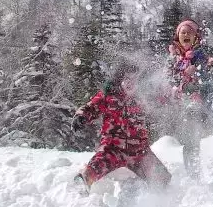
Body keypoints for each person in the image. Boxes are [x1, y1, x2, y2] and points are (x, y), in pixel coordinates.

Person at [72, 63, 171, 192]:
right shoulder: (109, 96)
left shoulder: (143, 97)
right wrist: (81, 116)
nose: (130, 84)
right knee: (100, 162)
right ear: (120, 80)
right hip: (113, 147)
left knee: (162, 179)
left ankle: (160, 200)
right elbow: (92, 107)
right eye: (127, 79)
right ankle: (85, 180)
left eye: (135, 80)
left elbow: (162, 100)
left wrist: (170, 94)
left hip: (139, 150)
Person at [167, 19, 213, 178]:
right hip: (178, 104)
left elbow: (208, 78)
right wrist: (180, 84)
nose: (186, 35)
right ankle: (191, 171)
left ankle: (198, 171)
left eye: (190, 32)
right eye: (183, 32)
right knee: (186, 139)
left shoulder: (201, 54)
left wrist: (199, 71)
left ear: (196, 36)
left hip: (198, 103)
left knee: (195, 135)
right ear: (178, 36)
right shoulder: (173, 57)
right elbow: (168, 79)